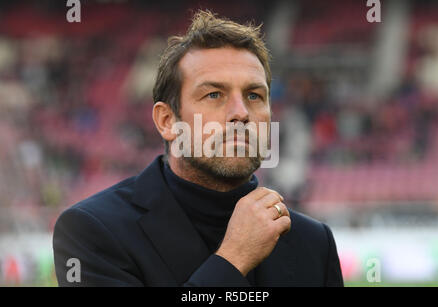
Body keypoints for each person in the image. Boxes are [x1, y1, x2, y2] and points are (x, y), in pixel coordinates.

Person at [53, 10, 343, 287]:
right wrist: (232, 259)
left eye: (254, 95)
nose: (241, 112)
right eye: (214, 94)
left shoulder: (313, 242)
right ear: (167, 121)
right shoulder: (93, 231)